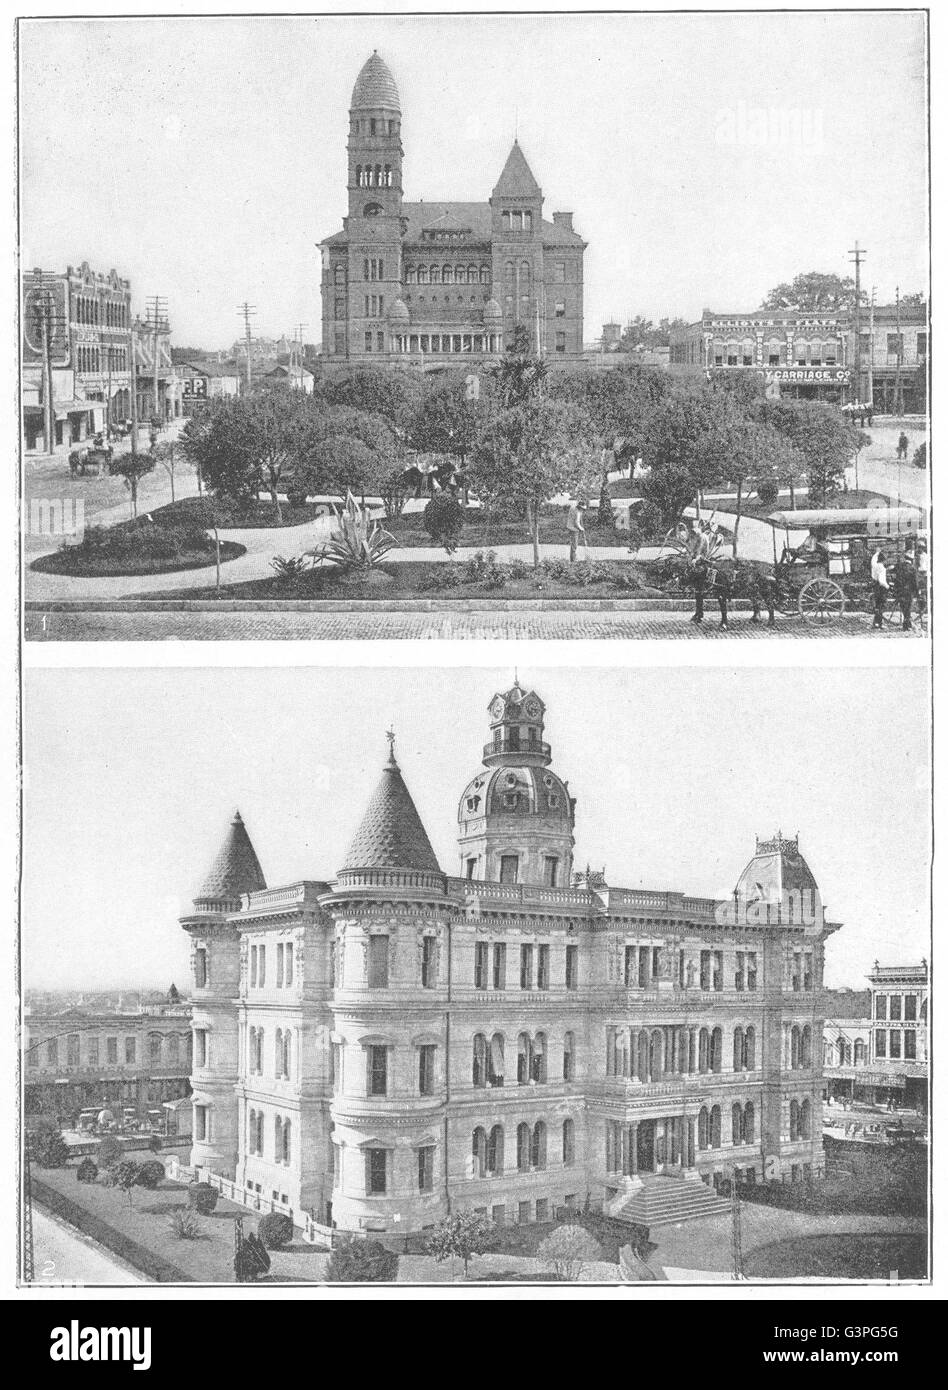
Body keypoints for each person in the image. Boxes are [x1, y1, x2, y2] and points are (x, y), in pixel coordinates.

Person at [893, 547, 919, 631]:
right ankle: (907, 625)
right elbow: (915, 582)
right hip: (908, 591)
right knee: (908, 607)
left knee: (903, 607)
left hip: (900, 590)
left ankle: (907, 624)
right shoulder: (912, 569)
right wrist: (917, 591)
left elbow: (895, 576)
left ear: (905, 558)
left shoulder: (899, 566)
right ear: (911, 559)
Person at [870, 547, 889, 629]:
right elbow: (882, 581)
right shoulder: (882, 568)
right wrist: (887, 586)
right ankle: (880, 624)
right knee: (881, 606)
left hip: (875, 586)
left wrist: (877, 553)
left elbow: (873, 560)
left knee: (877, 605)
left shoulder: (875, 565)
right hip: (881, 588)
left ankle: (875, 623)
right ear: (883, 560)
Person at [567, 497, 587, 563]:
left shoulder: (572, 507)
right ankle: (573, 560)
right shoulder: (578, 512)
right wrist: (582, 529)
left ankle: (573, 558)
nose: (583, 510)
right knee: (574, 544)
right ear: (580, 507)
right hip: (574, 529)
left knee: (573, 544)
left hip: (570, 527)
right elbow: (577, 522)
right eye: (582, 509)